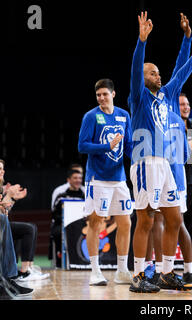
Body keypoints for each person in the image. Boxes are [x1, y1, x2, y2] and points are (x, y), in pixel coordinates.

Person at [127, 11, 192, 293]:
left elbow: (180, 71)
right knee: (146, 217)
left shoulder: (167, 95)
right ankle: (138, 274)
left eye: (158, 73)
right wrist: (141, 42)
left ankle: (165, 271)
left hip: (164, 163)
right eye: (152, 72)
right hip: (145, 161)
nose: (158, 75)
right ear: (142, 77)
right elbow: (137, 65)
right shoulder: (138, 97)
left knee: (174, 217)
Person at [78, 78, 134, 286]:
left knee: (126, 223)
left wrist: (140, 156)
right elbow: (82, 146)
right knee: (96, 222)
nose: (101, 98)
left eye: (104, 94)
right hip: (98, 178)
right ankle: (95, 271)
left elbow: (127, 145)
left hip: (119, 178)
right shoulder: (91, 116)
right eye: (98, 95)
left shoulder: (123, 115)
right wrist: (106, 147)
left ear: (113, 94)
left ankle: (121, 271)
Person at [0, 158, 34, 296]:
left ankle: (13, 275)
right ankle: (8, 277)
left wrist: (11, 199)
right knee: (3, 221)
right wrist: (9, 197)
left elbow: (3, 210)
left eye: (3, 168)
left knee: (28, 228)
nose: (3, 171)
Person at [50, 169, 85, 267]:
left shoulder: (85, 196)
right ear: (69, 180)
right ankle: (59, 262)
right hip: (63, 225)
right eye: (75, 178)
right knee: (57, 233)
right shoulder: (61, 196)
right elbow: (54, 215)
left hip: (82, 226)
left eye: (80, 178)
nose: (78, 180)